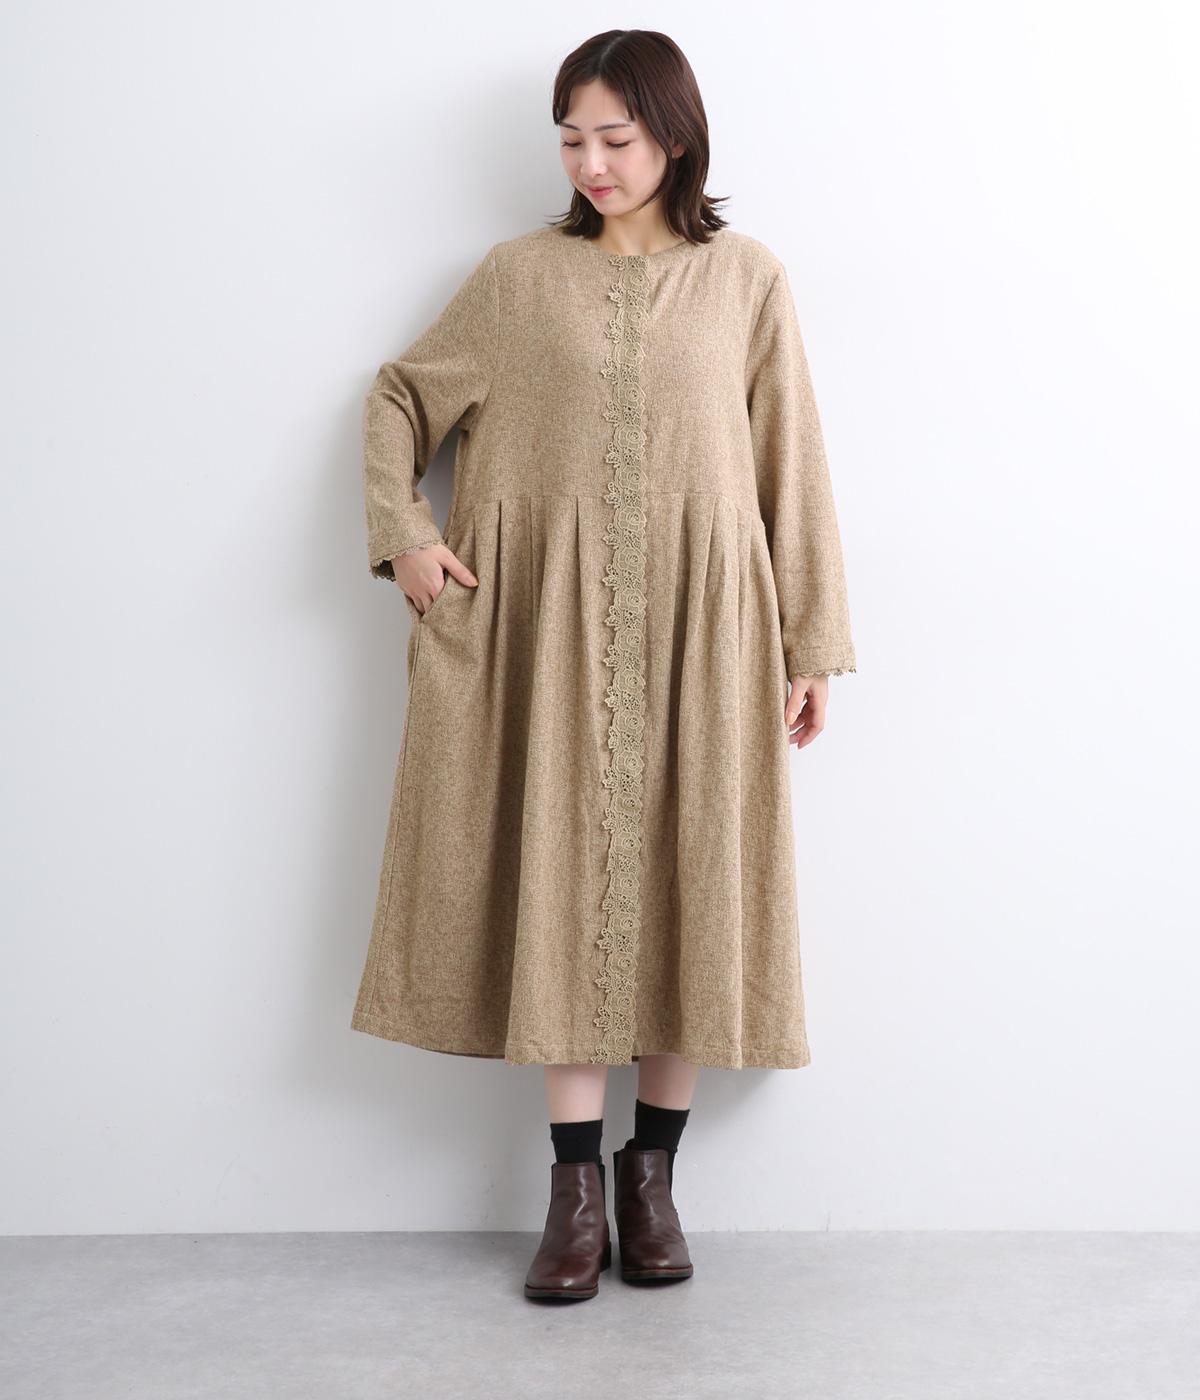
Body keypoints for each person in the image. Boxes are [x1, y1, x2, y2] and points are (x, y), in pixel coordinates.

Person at [350, 29, 857, 1302]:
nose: (591, 162)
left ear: (673, 136)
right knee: (561, 874)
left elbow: (792, 463)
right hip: (548, 633)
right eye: (571, 138)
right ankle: (574, 1189)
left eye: (615, 138)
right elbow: (400, 398)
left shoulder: (746, 278)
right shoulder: (518, 280)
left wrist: (813, 642)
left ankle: (652, 1178)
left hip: (707, 629)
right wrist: (406, 535)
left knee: (693, 874)